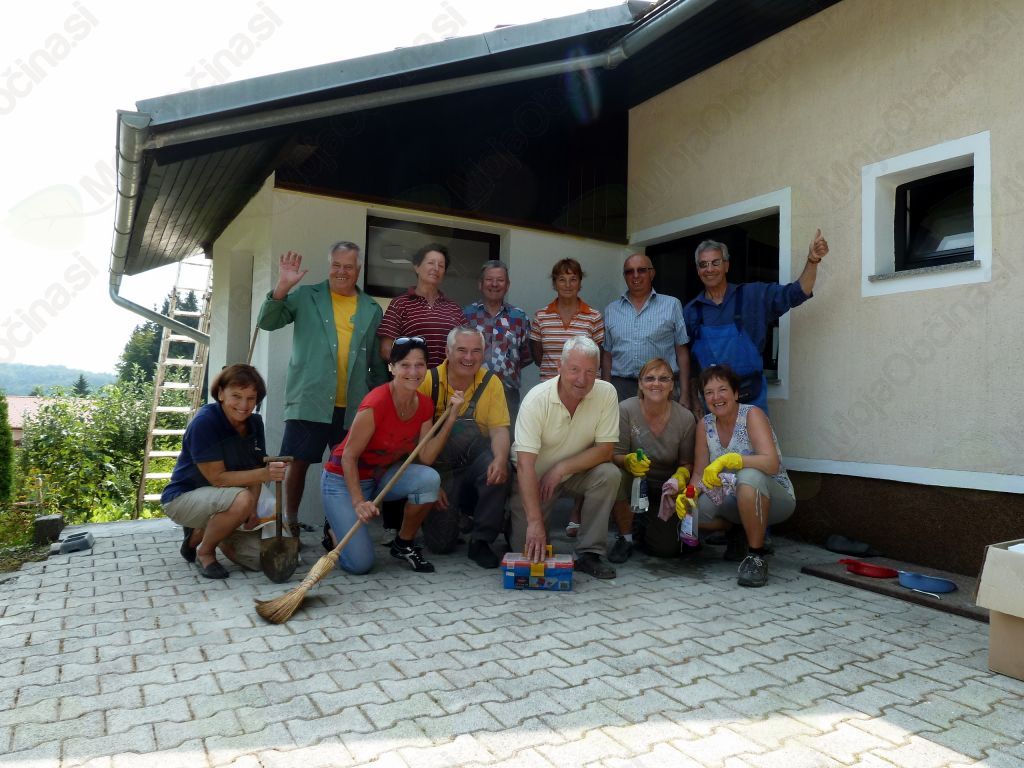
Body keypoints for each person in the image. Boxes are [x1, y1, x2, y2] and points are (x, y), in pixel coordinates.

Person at [256, 243, 388, 534]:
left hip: (353, 405)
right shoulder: (306, 296)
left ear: (358, 270)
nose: (341, 272)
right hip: (310, 399)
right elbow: (267, 322)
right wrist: (282, 287)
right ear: (330, 266)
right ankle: (290, 524)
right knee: (297, 463)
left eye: (348, 266)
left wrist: (380, 403)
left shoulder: (371, 308)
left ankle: (337, 529)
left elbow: (377, 364)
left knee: (346, 467)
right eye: (336, 265)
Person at [321, 336, 463, 575]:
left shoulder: (424, 405)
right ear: (392, 367)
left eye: (419, 365)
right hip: (342, 480)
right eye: (405, 365)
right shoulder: (376, 403)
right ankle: (333, 529)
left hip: (379, 476)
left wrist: (451, 417)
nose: (413, 372)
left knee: (429, 479)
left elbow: (426, 456)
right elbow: (348, 456)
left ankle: (403, 543)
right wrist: (358, 502)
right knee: (360, 565)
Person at [161, 364, 287, 579]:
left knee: (259, 561)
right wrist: (264, 476)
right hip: (184, 497)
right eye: (236, 396)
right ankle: (205, 552)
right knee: (242, 499)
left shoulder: (255, 423)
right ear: (220, 393)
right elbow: (218, 479)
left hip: (228, 499)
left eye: (251, 398)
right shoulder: (205, 422)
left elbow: (254, 467)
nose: (244, 405)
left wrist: (252, 510)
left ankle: (201, 533)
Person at [510, 335, 619, 579]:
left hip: (574, 473)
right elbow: (525, 465)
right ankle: (515, 517)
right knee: (524, 548)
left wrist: (561, 468)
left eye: (590, 371)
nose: (582, 379)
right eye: (574, 370)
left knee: (608, 474)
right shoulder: (536, 400)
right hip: (535, 478)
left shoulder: (606, 393)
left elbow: (605, 450)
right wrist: (534, 523)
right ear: (560, 366)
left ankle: (590, 553)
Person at [684, 231, 830, 412]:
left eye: (715, 262)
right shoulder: (691, 311)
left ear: (726, 265)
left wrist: (813, 260)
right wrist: (693, 398)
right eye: (703, 264)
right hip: (713, 405)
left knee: (757, 433)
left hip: (751, 399)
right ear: (698, 270)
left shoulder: (753, 295)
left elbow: (797, 292)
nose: (709, 269)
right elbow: (689, 363)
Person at [689, 364, 796, 588]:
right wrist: (688, 496)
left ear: (736, 393)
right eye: (709, 392)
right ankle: (737, 532)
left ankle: (756, 556)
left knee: (748, 476)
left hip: (774, 496)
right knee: (692, 516)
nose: (716, 397)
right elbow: (699, 472)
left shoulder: (752, 414)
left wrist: (734, 460)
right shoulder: (705, 425)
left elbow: (771, 463)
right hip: (732, 496)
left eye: (722, 390)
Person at [417, 326, 511, 568]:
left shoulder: (491, 383)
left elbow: (499, 429)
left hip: (474, 462)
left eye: (476, 351)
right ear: (447, 352)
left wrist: (500, 459)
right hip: (438, 469)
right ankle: (456, 516)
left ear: (483, 354)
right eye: (461, 350)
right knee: (440, 545)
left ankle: (481, 540)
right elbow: (413, 441)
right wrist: (428, 482)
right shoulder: (428, 381)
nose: (469, 357)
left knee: (498, 467)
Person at [609, 358, 696, 563]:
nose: (656, 384)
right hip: (634, 482)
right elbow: (614, 455)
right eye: (649, 378)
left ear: (672, 385)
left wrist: (681, 475)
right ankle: (625, 537)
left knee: (666, 549)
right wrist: (627, 461)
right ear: (640, 384)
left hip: (666, 488)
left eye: (664, 379)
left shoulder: (685, 418)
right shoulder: (625, 410)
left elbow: (687, 463)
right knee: (615, 474)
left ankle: (644, 524)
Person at [602, 253, 691, 408]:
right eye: (629, 271)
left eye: (641, 270)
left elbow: (682, 353)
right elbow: (607, 356)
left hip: (660, 386)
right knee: (622, 425)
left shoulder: (671, 305)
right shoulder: (611, 310)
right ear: (624, 276)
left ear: (652, 273)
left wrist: (685, 393)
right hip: (622, 389)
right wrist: (605, 393)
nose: (635, 275)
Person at [463, 259, 532, 423]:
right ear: (480, 284)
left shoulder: (519, 317)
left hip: (507, 394)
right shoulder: (466, 315)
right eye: (489, 279)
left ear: (507, 285)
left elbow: (526, 355)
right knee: (470, 436)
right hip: (471, 390)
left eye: (500, 280)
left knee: (505, 436)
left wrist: (505, 367)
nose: (494, 284)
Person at [378, 243, 466, 368]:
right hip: (412, 378)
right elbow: (386, 350)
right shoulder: (399, 304)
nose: (436, 268)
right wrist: (411, 369)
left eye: (441, 265)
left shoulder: (454, 309)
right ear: (417, 267)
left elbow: (465, 348)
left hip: (446, 379)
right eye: (431, 263)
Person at [529, 258, 604, 382]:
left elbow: (597, 358)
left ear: (580, 283)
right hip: (550, 386)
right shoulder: (541, 316)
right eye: (562, 280)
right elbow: (538, 357)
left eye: (573, 279)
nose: (568, 285)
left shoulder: (594, 317)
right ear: (554, 284)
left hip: (583, 385)